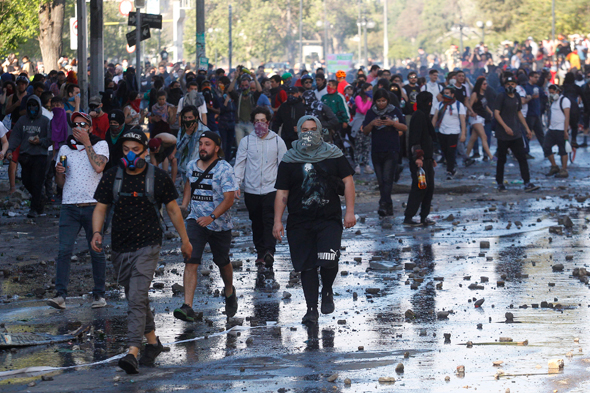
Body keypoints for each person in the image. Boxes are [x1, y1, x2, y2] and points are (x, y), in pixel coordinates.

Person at [91, 129, 192, 374]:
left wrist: (185, 240)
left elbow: (173, 210)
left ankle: (132, 351)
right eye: (126, 150)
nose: (130, 154)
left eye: (135, 150)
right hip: (120, 247)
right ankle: (153, 342)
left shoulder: (158, 177)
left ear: (146, 152)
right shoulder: (112, 176)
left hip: (149, 245)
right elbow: (101, 208)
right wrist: (96, 232)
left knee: (136, 297)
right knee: (136, 296)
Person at [273, 115, 356, 325]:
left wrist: (350, 211)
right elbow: (282, 193)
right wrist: (277, 220)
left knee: (329, 259)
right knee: (307, 266)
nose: (309, 133)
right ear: (298, 131)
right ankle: (311, 310)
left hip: (328, 218)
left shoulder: (333, 155)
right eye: (304, 129)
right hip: (300, 221)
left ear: (319, 131)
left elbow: (348, 182)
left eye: (312, 129)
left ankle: (327, 289)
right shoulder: (290, 159)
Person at [47, 112, 109, 310]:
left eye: (83, 124)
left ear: (90, 128)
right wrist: (59, 173)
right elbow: (60, 183)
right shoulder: (65, 148)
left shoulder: (100, 145)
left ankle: (99, 295)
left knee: (96, 249)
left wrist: (86, 142)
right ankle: (60, 295)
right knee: (64, 250)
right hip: (69, 205)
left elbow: (99, 167)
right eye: (75, 124)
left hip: (93, 206)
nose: (78, 127)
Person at [175, 131, 239, 322]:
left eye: (208, 144)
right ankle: (187, 306)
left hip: (220, 224)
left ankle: (229, 290)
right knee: (191, 260)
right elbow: (189, 183)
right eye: (201, 144)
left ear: (216, 148)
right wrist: (184, 205)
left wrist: (212, 217)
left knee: (222, 261)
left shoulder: (225, 169)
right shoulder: (192, 165)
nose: (203, 147)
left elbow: (229, 199)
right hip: (195, 221)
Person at [234, 107, 287, 266]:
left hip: (271, 189)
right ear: (252, 122)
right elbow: (240, 164)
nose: (259, 124)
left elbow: (284, 165)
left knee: (269, 220)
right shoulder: (246, 141)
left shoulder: (277, 141)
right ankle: (260, 252)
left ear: (268, 122)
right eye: (256, 121)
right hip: (251, 190)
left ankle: (269, 251)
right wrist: (237, 184)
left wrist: (285, 187)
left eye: (262, 121)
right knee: (256, 222)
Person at [362, 88, 406, 217]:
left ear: (388, 100)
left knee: (388, 179)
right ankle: (388, 205)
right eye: (379, 101)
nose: (381, 104)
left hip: (391, 149)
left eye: (383, 101)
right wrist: (372, 123)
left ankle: (383, 204)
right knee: (381, 181)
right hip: (376, 150)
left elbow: (404, 127)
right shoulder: (371, 112)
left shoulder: (394, 111)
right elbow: (365, 131)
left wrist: (392, 123)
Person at [6, 95, 52, 217]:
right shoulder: (22, 121)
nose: (32, 108)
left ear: (39, 107)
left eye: (35, 105)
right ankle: (40, 199)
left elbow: (50, 139)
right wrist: (10, 149)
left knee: (37, 182)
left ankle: (34, 208)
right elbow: (15, 137)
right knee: (26, 181)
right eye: (30, 105)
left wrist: (40, 141)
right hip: (25, 155)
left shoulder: (45, 121)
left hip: (40, 155)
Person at [494, 76, 539, 192]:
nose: (510, 86)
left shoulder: (517, 96)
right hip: (503, 134)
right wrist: (505, 127)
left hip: (516, 133)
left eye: (513, 84)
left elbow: (519, 113)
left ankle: (527, 182)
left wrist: (527, 129)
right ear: (505, 86)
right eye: (508, 84)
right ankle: (500, 183)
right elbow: (496, 113)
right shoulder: (501, 96)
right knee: (502, 160)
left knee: (522, 158)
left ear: (516, 86)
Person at [404, 92, 437, 226]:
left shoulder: (424, 116)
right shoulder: (419, 116)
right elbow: (415, 139)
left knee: (428, 188)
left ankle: (424, 216)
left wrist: (430, 157)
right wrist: (418, 157)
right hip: (420, 161)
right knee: (420, 187)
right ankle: (409, 216)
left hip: (426, 160)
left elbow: (427, 139)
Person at [432, 86, 467, 179]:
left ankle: (450, 170)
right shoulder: (439, 105)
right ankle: (451, 166)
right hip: (442, 131)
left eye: (447, 93)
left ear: (452, 94)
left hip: (454, 132)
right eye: (444, 93)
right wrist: (430, 130)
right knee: (445, 151)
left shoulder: (459, 105)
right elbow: (435, 118)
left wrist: (463, 134)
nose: (445, 95)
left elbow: (462, 120)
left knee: (451, 151)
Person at [464, 78, 495, 164]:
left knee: (473, 138)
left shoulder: (483, 94)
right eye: (484, 84)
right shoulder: (475, 94)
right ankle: (491, 157)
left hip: (481, 118)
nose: (486, 86)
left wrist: (490, 112)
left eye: (486, 84)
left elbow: (485, 105)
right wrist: (471, 113)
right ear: (480, 85)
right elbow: (469, 105)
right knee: (484, 136)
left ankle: (466, 156)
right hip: (476, 118)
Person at [544, 84, 571, 178]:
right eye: (550, 93)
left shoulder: (565, 101)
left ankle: (564, 170)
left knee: (562, 150)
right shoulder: (553, 101)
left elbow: (567, 116)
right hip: (552, 129)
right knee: (546, 147)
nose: (551, 94)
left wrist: (566, 131)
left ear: (558, 91)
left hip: (561, 129)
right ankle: (554, 166)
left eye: (552, 92)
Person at [350, 83, 374, 175]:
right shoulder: (358, 98)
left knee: (367, 146)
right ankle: (357, 165)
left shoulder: (371, 99)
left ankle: (367, 164)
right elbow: (363, 110)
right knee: (358, 146)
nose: (370, 91)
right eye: (369, 89)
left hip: (368, 123)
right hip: (359, 123)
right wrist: (368, 101)